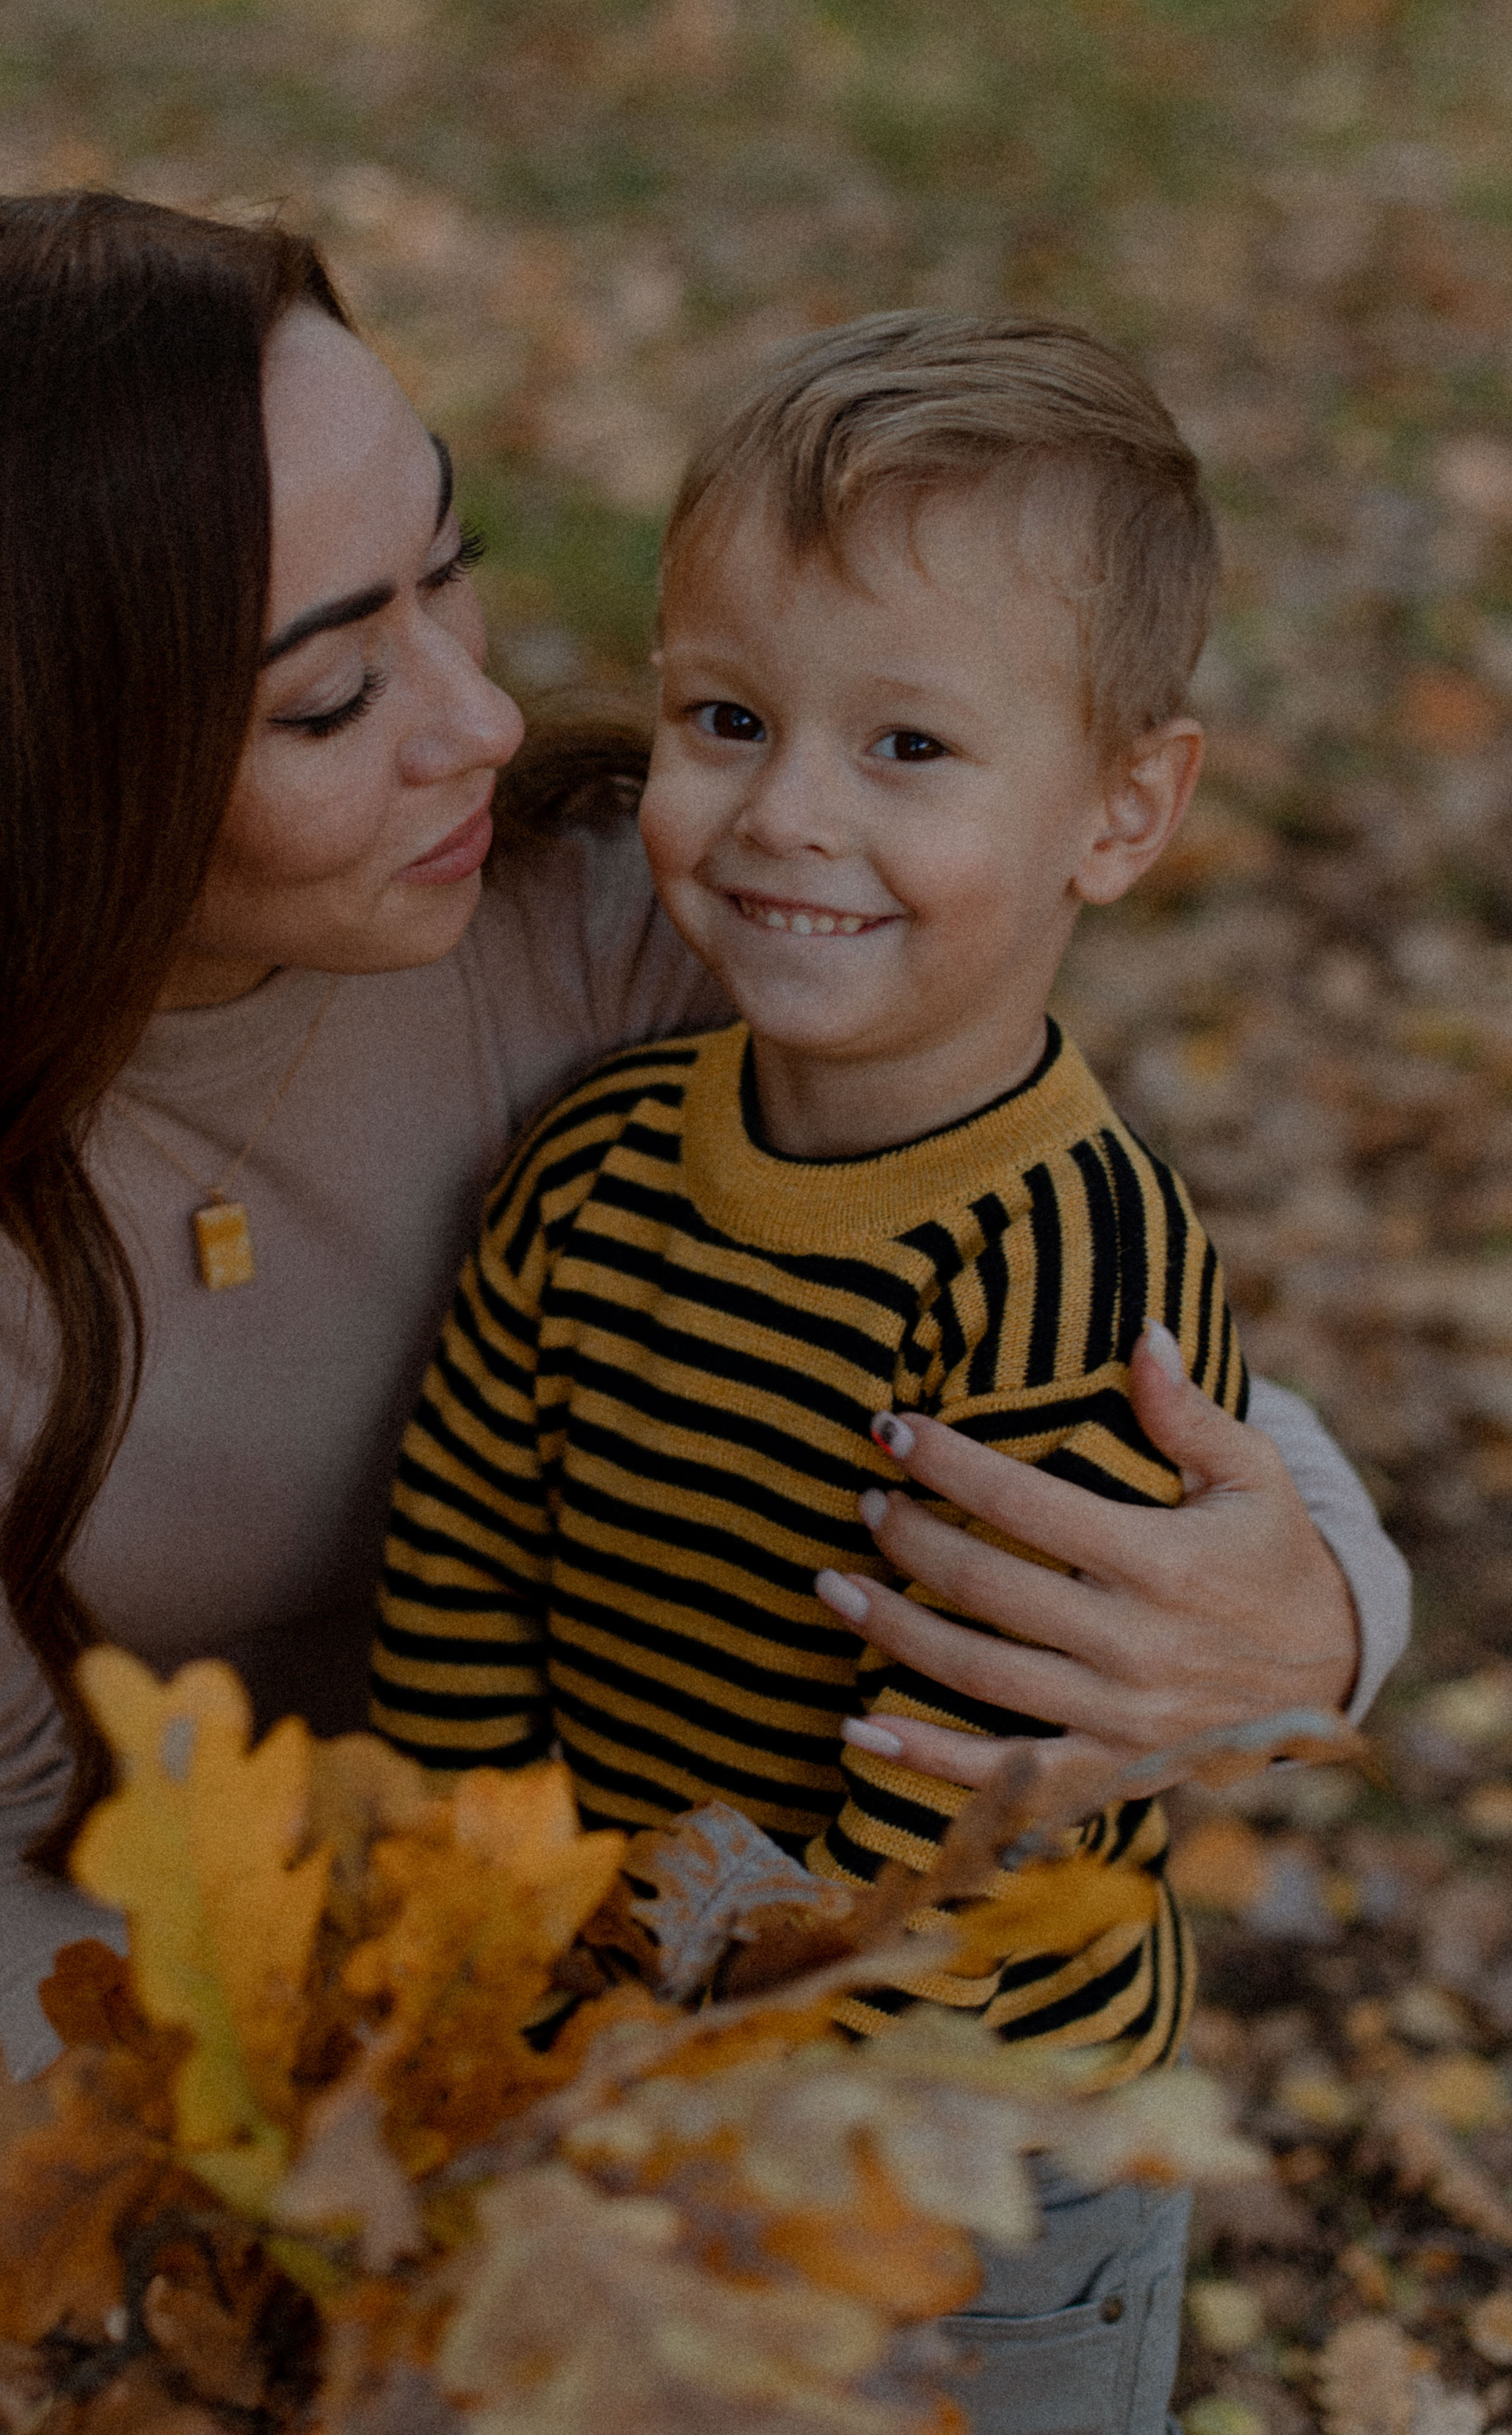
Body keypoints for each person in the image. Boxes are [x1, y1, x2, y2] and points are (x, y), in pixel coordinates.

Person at [0, 189, 1403, 2185]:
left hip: (612, 1943)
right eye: (328, 700)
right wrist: (359, 2139)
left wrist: (1327, 1613)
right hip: (78, 1962)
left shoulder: (616, 928)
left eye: (445, 568)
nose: (479, 720)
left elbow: (1091, 1334)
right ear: (16, 768)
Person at [367, 312, 1330, 2428]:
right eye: (727, 716)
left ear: (1121, 809)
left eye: (909, 750)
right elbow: (461, 1578)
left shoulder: (1068, 1269)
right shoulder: (604, 1167)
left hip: (960, 2166)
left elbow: (979, 1799)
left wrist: (698, 2059)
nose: (787, 813)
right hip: (591, 2076)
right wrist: (474, 1951)